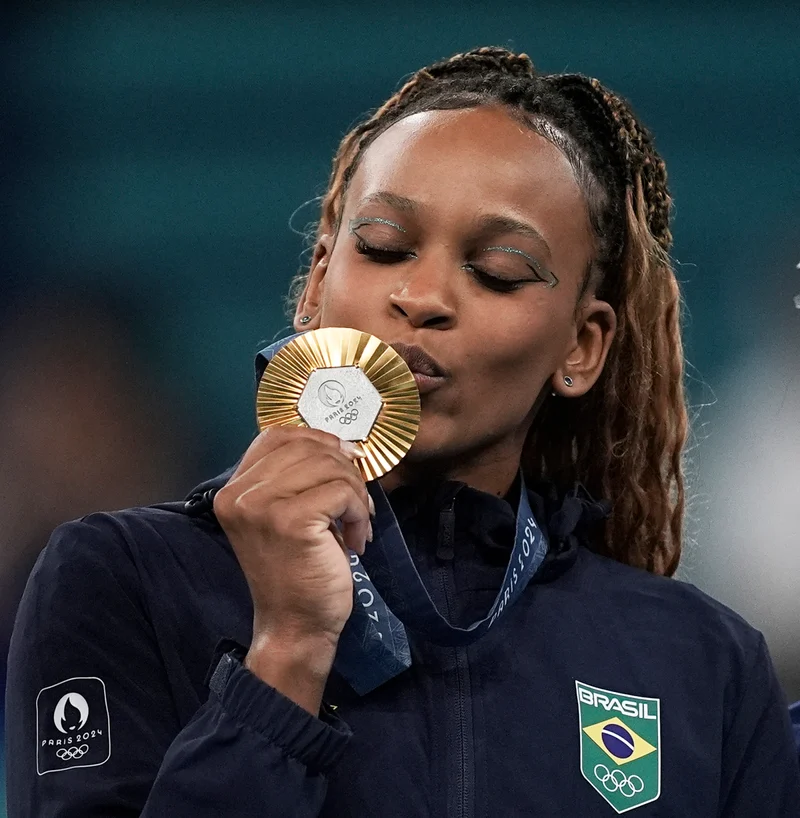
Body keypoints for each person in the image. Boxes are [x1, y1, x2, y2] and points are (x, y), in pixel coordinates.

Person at [5, 46, 799, 817]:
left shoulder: (700, 661)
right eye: (384, 248)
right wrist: (285, 654)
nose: (422, 296)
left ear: (581, 348)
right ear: (317, 285)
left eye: (498, 270)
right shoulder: (127, 579)